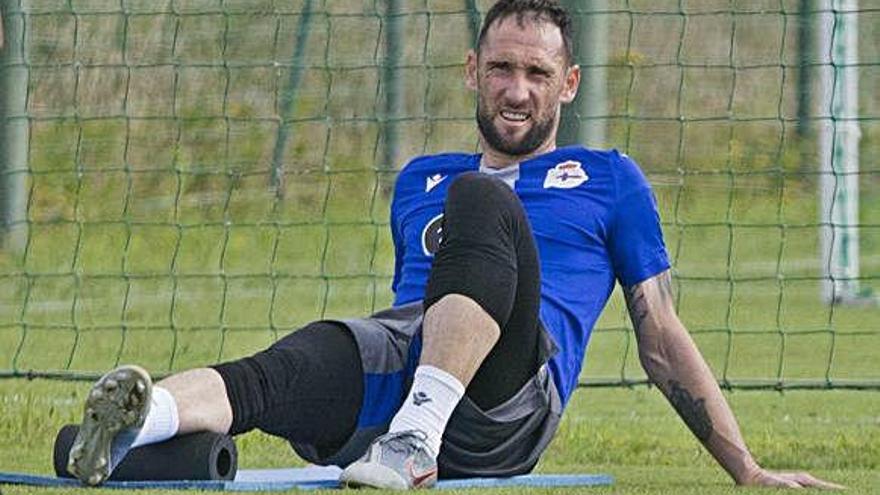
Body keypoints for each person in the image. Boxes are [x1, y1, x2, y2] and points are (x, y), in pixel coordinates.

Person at [67, 0, 843, 490]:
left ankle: (416, 440)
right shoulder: (420, 180)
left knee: (484, 196)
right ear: (473, 71)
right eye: (501, 67)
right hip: (406, 362)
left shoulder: (611, 179)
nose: (517, 89)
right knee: (283, 366)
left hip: (509, 404)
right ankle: (129, 426)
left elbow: (661, 335)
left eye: (537, 73)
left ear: (567, 84)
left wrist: (746, 469)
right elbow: (419, 315)